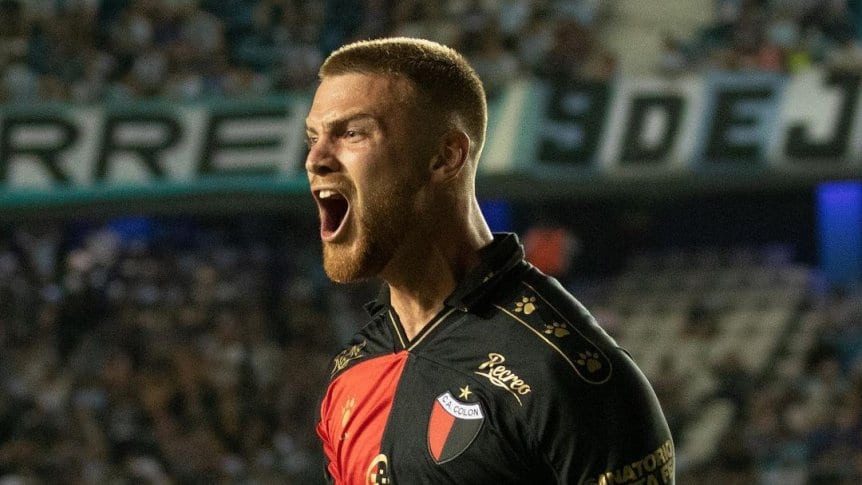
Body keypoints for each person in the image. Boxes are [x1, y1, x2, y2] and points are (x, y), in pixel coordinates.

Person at [305, 37, 674, 485]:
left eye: (352, 133)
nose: (315, 159)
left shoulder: (566, 375)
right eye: (314, 137)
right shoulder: (353, 368)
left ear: (445, 157)